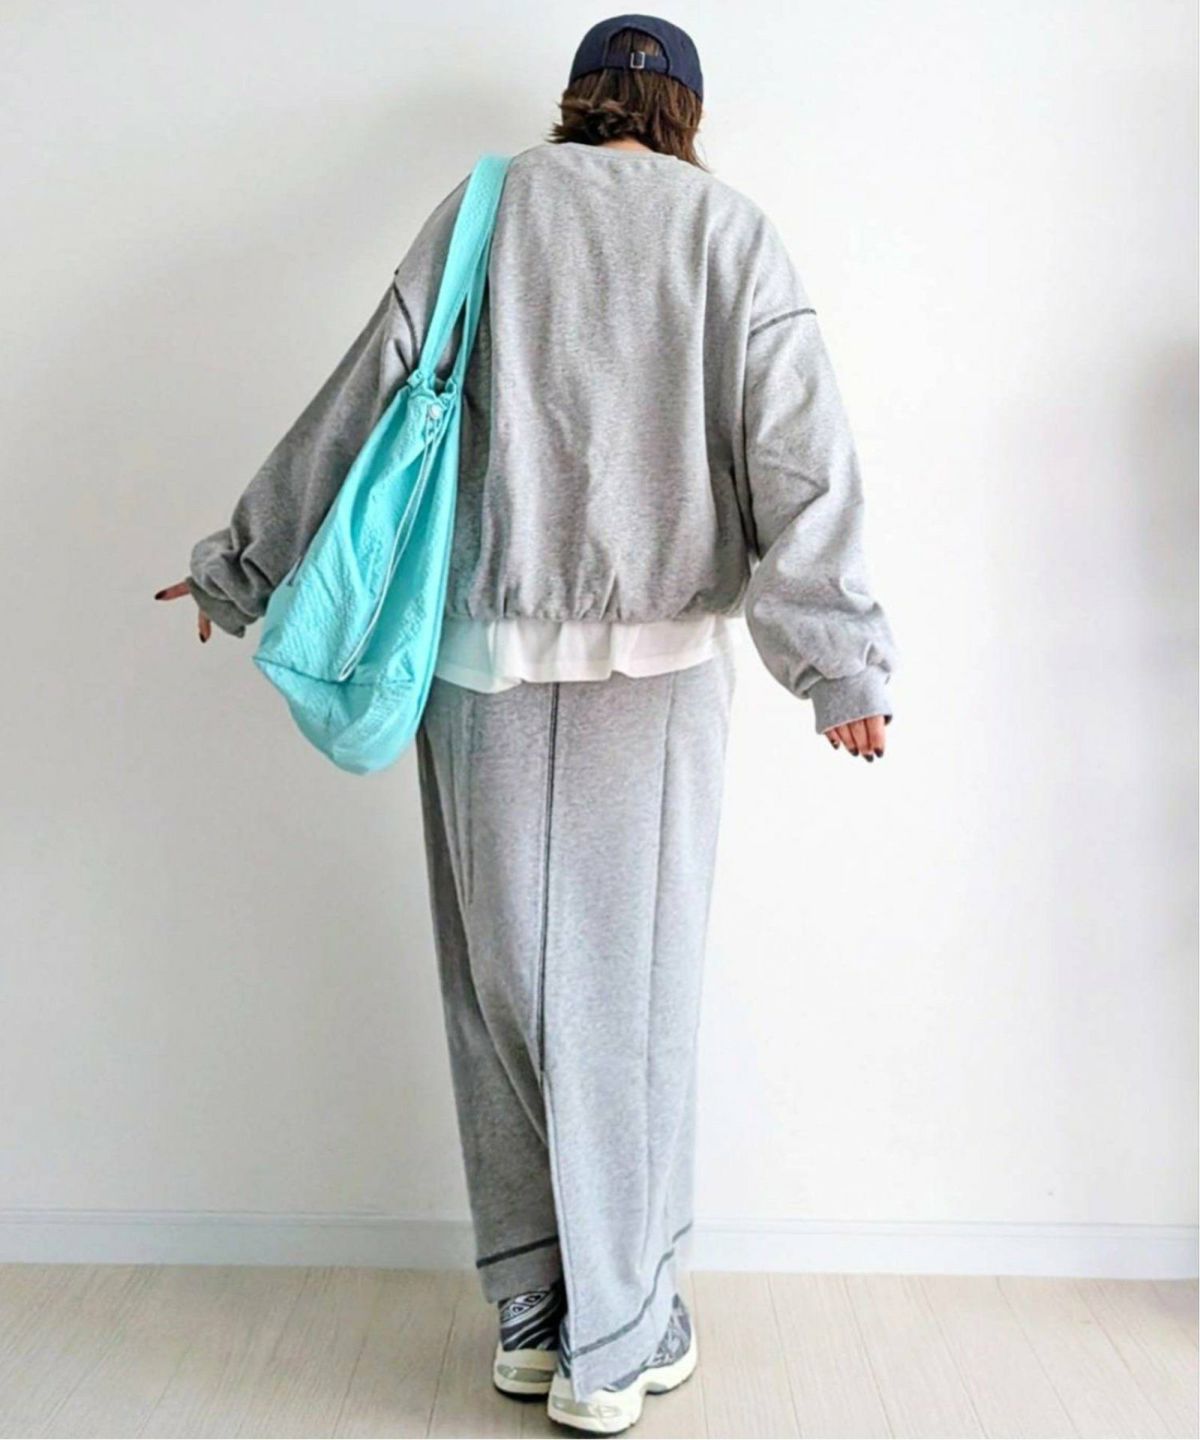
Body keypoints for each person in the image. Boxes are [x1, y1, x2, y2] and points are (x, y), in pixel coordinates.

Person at [156, 13, 898, 1435]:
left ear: (575, 100)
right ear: (686, 114)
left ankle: (533, 1307)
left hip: (474, 664)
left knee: (497, 995)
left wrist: (239, 567)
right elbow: (803, 458)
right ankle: (617, 1340)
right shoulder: (728, 233)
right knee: (625, 1009)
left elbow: (365, 397)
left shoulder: (487, 206)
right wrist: (841, 671)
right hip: (653, 674)